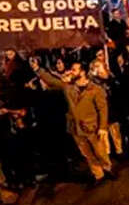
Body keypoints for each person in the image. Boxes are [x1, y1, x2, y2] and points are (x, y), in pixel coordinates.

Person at [30, 56, 116, 185]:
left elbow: (103, 109)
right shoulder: (68, 87)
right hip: (76, 128)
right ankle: (98, 174)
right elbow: (52, 81)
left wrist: (103, 127)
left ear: (83, 72)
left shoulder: (95, 90)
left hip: (92, 127)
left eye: (74, 70)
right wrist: (38, 69)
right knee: (87, 153)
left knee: (100, 151)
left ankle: (107, 167)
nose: (71, 72)